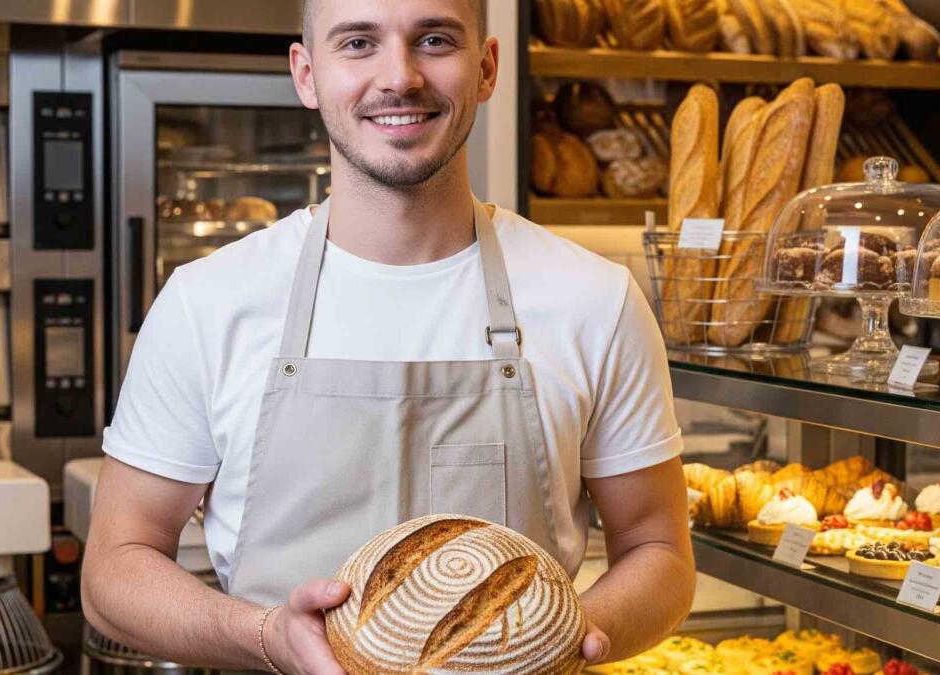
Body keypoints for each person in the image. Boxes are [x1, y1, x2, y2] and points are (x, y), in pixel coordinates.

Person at [82, 1, 695, 672]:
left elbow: (659, 551)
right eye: (358, 43)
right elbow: (115, 567)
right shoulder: (208, 301)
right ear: (307, 74)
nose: (400, 77)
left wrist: (563, 641)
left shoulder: (595, 300)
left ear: (486, 68)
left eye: (434, 40)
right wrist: (264, 634)